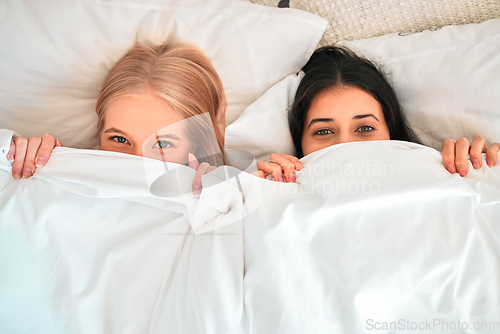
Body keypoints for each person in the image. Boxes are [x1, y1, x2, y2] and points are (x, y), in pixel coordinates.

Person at [6, 39, 227, 195]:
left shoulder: (222, 197)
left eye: (162, 144)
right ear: (100, 134)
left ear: (196, 147)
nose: (137, 162)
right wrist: (16, 158)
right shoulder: (67, 181)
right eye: (119, 139)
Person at [257, 46, 500, 182]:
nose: (345, 146)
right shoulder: (274, 192)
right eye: (323, 131)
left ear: (391, 131)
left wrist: (484, 170)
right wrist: (250, 194)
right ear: (299, 143)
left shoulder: (446, 175)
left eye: (364, 128)